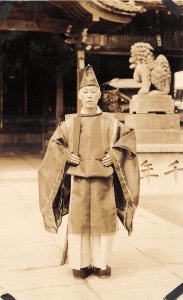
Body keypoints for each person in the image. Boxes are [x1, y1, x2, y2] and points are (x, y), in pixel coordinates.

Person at [38, 65, 140, 279]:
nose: (90, 95)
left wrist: (115, 155)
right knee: (79, 222)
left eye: (94, 91)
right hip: (79, 182)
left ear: (100, 95)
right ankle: (80, 265)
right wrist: (65, 155)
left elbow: (128, 140)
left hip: (105, 182)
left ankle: (101, 265)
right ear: (79, 95)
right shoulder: (69, 123)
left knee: (104, 221)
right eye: (86, 92)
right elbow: (55, 146)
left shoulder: (111, 123)